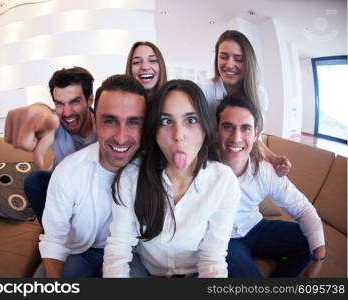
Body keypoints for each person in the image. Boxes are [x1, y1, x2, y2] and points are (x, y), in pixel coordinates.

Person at [103, 79, 241, 278]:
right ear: (155, 131)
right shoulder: (132, 176)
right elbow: (118, 249)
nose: (178, 135)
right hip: (145, 270)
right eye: (166, 121)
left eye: (191, 120)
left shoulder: (222, 181)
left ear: (205, 127)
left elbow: (212, 259)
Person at [39, 74, 148, 278]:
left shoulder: (153, 173)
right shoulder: (68, 171)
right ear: (95, 123)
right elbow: (54, 238)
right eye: (110, 121)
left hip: (133, 254)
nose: (121, 137)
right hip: (79, 253)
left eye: (133, 122)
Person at [215, 95, 325, 278]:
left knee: (310, 241)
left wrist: (319, 258)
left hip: (256, 228)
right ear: (216, 130)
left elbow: (303, 209)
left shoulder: (265, 172)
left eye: (245, 129)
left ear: (256, 135)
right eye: (228, 127)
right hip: (226, 240)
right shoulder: (203, 170)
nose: (236, 137)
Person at [4, 67, 97, 222]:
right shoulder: (54, 123)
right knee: (33, 180)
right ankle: (49, 229)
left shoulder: (105, 127)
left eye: (75, 101)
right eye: (59, 104)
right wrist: (39, 111)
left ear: (90, 100)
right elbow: (43, 112)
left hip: (91, 197)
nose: (66, 113)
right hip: (59, 188)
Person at [201, 30, 291, 177]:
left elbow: (252, 139)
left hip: (240, 166)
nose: (229, 65)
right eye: (223, 57)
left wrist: (273, 158)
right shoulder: (204, 91)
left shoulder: (259, 95)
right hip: (210, 165)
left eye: (238, 59)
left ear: (248, 61)